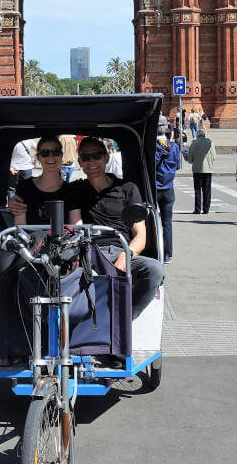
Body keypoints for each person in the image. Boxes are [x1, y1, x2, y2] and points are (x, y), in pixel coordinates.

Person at [67, 136, 164, 317]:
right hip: (91, 250)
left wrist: (125, 255)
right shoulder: (76, 189)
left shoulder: (127, 188)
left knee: (155, 269)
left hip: (123, 249)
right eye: (85, 158)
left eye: (96, 156)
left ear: (106, 158)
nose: (91, 162)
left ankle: (126, 319)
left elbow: (140, 235)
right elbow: (76, 226)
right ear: (80, 162)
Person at [10, 135, 70, 225]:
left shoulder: (70, 190)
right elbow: (20, 225)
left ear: (61, 156)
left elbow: (75, 226)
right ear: (38, 157)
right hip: (31, 238)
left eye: (55, 152)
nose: (50, 157)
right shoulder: (25, 187)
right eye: (45, 152)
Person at [155, 116, 180, 264]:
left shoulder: (152, 146)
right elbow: (177, 166)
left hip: (154, 188)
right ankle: (167, 255)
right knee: (167, 223)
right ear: (166, 129)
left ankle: (153, 251)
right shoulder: (174, 147)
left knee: (150, 221)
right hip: (169, 189)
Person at [187, 126, 216, 215]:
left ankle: (197, 209)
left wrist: (184, 154)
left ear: (197, 136)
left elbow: (190, 159)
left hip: (197, 170)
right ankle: (206, 209)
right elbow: (214, 157)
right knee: (207, 190)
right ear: (204, 135)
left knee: (197, 190)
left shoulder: (194, 144)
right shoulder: (211, 143)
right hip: (208, 170)